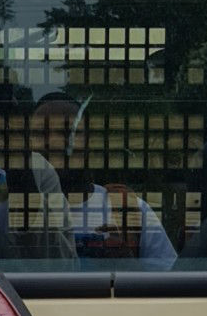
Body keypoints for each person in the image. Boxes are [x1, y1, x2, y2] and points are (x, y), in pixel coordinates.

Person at [16, 93, 177, 264]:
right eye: (41, 133)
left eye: (68, 132)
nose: (54, 141)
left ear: (90, 143)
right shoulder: (11, 210)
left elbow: (170, 278)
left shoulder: (131, 210)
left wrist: (128, 267)